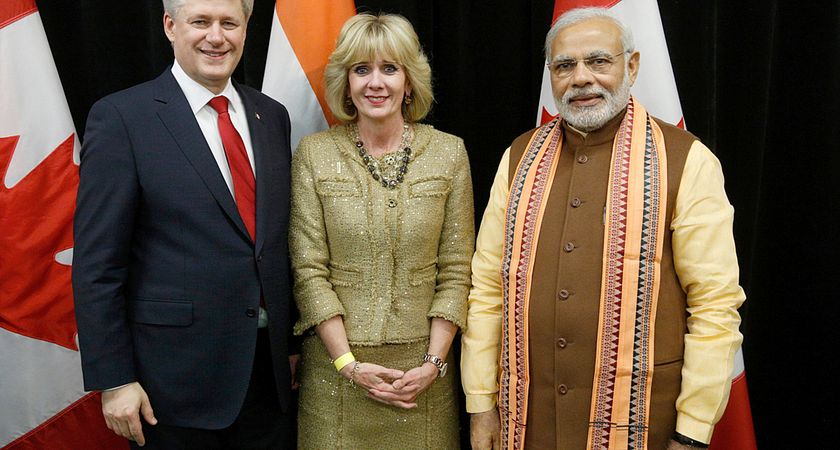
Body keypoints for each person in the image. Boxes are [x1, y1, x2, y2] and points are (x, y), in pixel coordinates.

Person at [461, 7, 745, 450]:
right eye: (565, 66)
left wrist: (691, 433)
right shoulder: (518, 157)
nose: (581, 79)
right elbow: (486, 290)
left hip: (647, 422)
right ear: (550, 76)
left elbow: (714, 307)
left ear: (630, 66)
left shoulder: (687, 159)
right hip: (525, 421)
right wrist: (481, 404)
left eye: (598, 61)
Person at [72, 0, 296, 448]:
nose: (217, 36)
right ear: (170, 27)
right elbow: (98, 264)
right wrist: (115, 378)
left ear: (246, 30)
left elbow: (273, 244)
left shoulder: (271, 116)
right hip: (171, 387)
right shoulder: (122, 118)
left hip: (269, 380)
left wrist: (289, 343)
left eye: (229, 23)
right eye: (200, 22)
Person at [289, 13, 474, 450]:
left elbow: (456, 268)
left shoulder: (449, 152)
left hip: (425, 375)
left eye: (390, 69)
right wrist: (348, 364)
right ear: (346, 83)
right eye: (362, 69)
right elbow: (308, 268)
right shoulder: (314, 153)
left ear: (409, 81)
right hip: (336, 373)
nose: (376, 83)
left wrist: (432, 364)